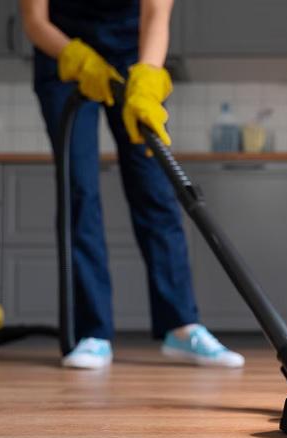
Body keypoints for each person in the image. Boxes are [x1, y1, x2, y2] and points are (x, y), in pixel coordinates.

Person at [19, 0, 244, 369]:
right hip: (62, 52)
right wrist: (78, 57)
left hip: (131, 52)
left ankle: (182, 326)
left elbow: (156, 14)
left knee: (155, 188)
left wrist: (147, 78)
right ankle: (91, 333)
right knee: (79, 189)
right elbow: (34, 20)